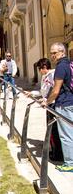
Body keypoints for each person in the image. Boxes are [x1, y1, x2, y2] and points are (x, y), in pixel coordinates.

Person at [43, 43, 73, 172]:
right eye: (51, 53)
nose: (52, 56)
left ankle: (69, 163)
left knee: (66, 135)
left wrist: (46, 102)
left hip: (64, 104)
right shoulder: (70, 64)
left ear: (62, 52)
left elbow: (55, 91)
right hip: (71, 101)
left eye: (54, 53)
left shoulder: (60, 67)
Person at [26, 58, 63, 162]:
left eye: (40, 68)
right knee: (51, 129)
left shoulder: (53, 75)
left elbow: (54, 90)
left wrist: (47, 100)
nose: (39, 71)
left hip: (53, 105)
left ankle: (58, 154)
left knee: (54, 130)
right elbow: (44, 91)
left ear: (44, 67)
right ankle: (54, 150)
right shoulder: (45, 76)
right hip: (48, 104)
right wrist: (32, 93)